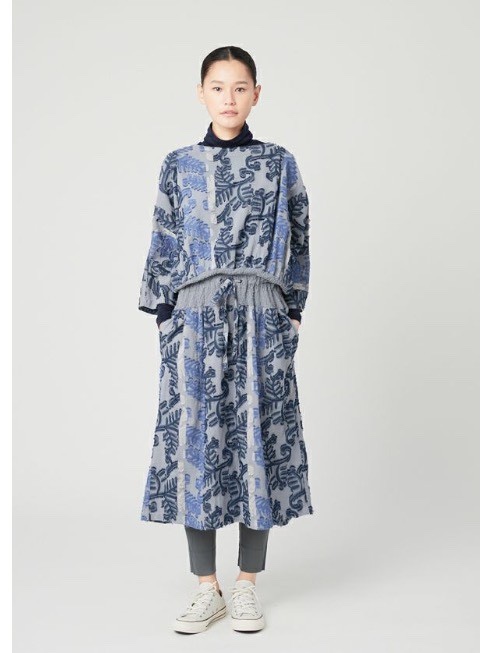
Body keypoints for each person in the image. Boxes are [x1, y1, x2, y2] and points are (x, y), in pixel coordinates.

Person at [138, 45, 314, 634]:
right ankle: (205, 587)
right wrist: (165, 315)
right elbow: (164, 236)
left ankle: (246, 585)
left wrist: (292, 310)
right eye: (218, 87)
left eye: (240, 88)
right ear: (201, 93)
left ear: (256, 94)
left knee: (257, 436)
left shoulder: (279, 162)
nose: (229, 98)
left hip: (262, 313)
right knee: (198, 443)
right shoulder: (179, 164)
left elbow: (300, 234)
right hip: (195, 318)